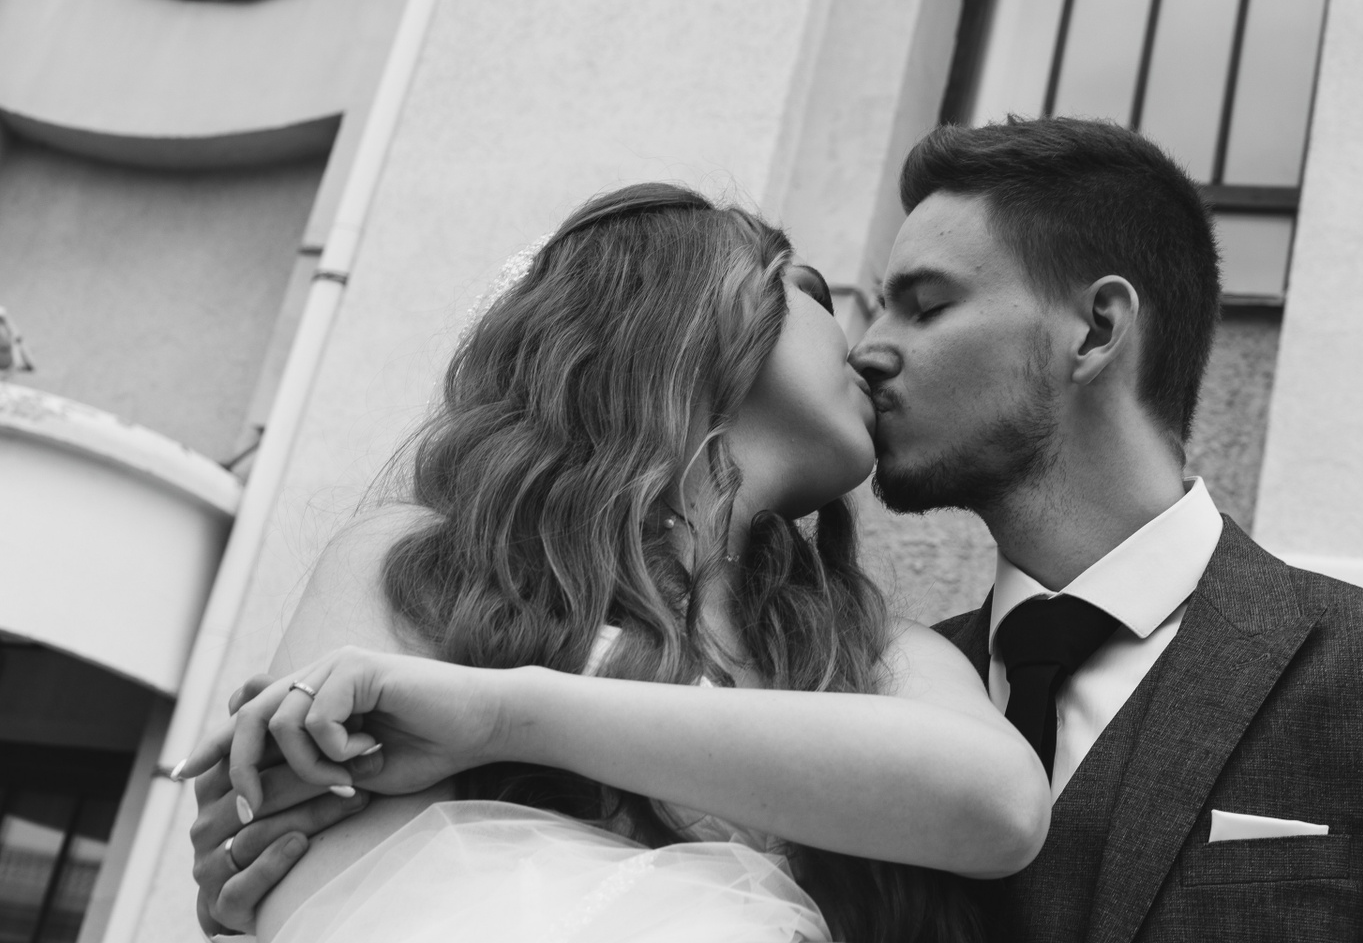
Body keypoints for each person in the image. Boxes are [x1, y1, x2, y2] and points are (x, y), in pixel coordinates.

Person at [194, 117, 1363, 942]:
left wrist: (504, 716)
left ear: (1094, 331)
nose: (866, 345)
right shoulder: (910, 667)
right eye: (838, 300)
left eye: (920, 304)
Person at [177, 183, 1051, 942]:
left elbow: (1000, 807)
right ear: (688, 310)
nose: (864, 349)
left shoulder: (877, 648)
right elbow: (321, 882)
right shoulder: (422, 563)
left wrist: (505, 715)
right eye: (814, 291)